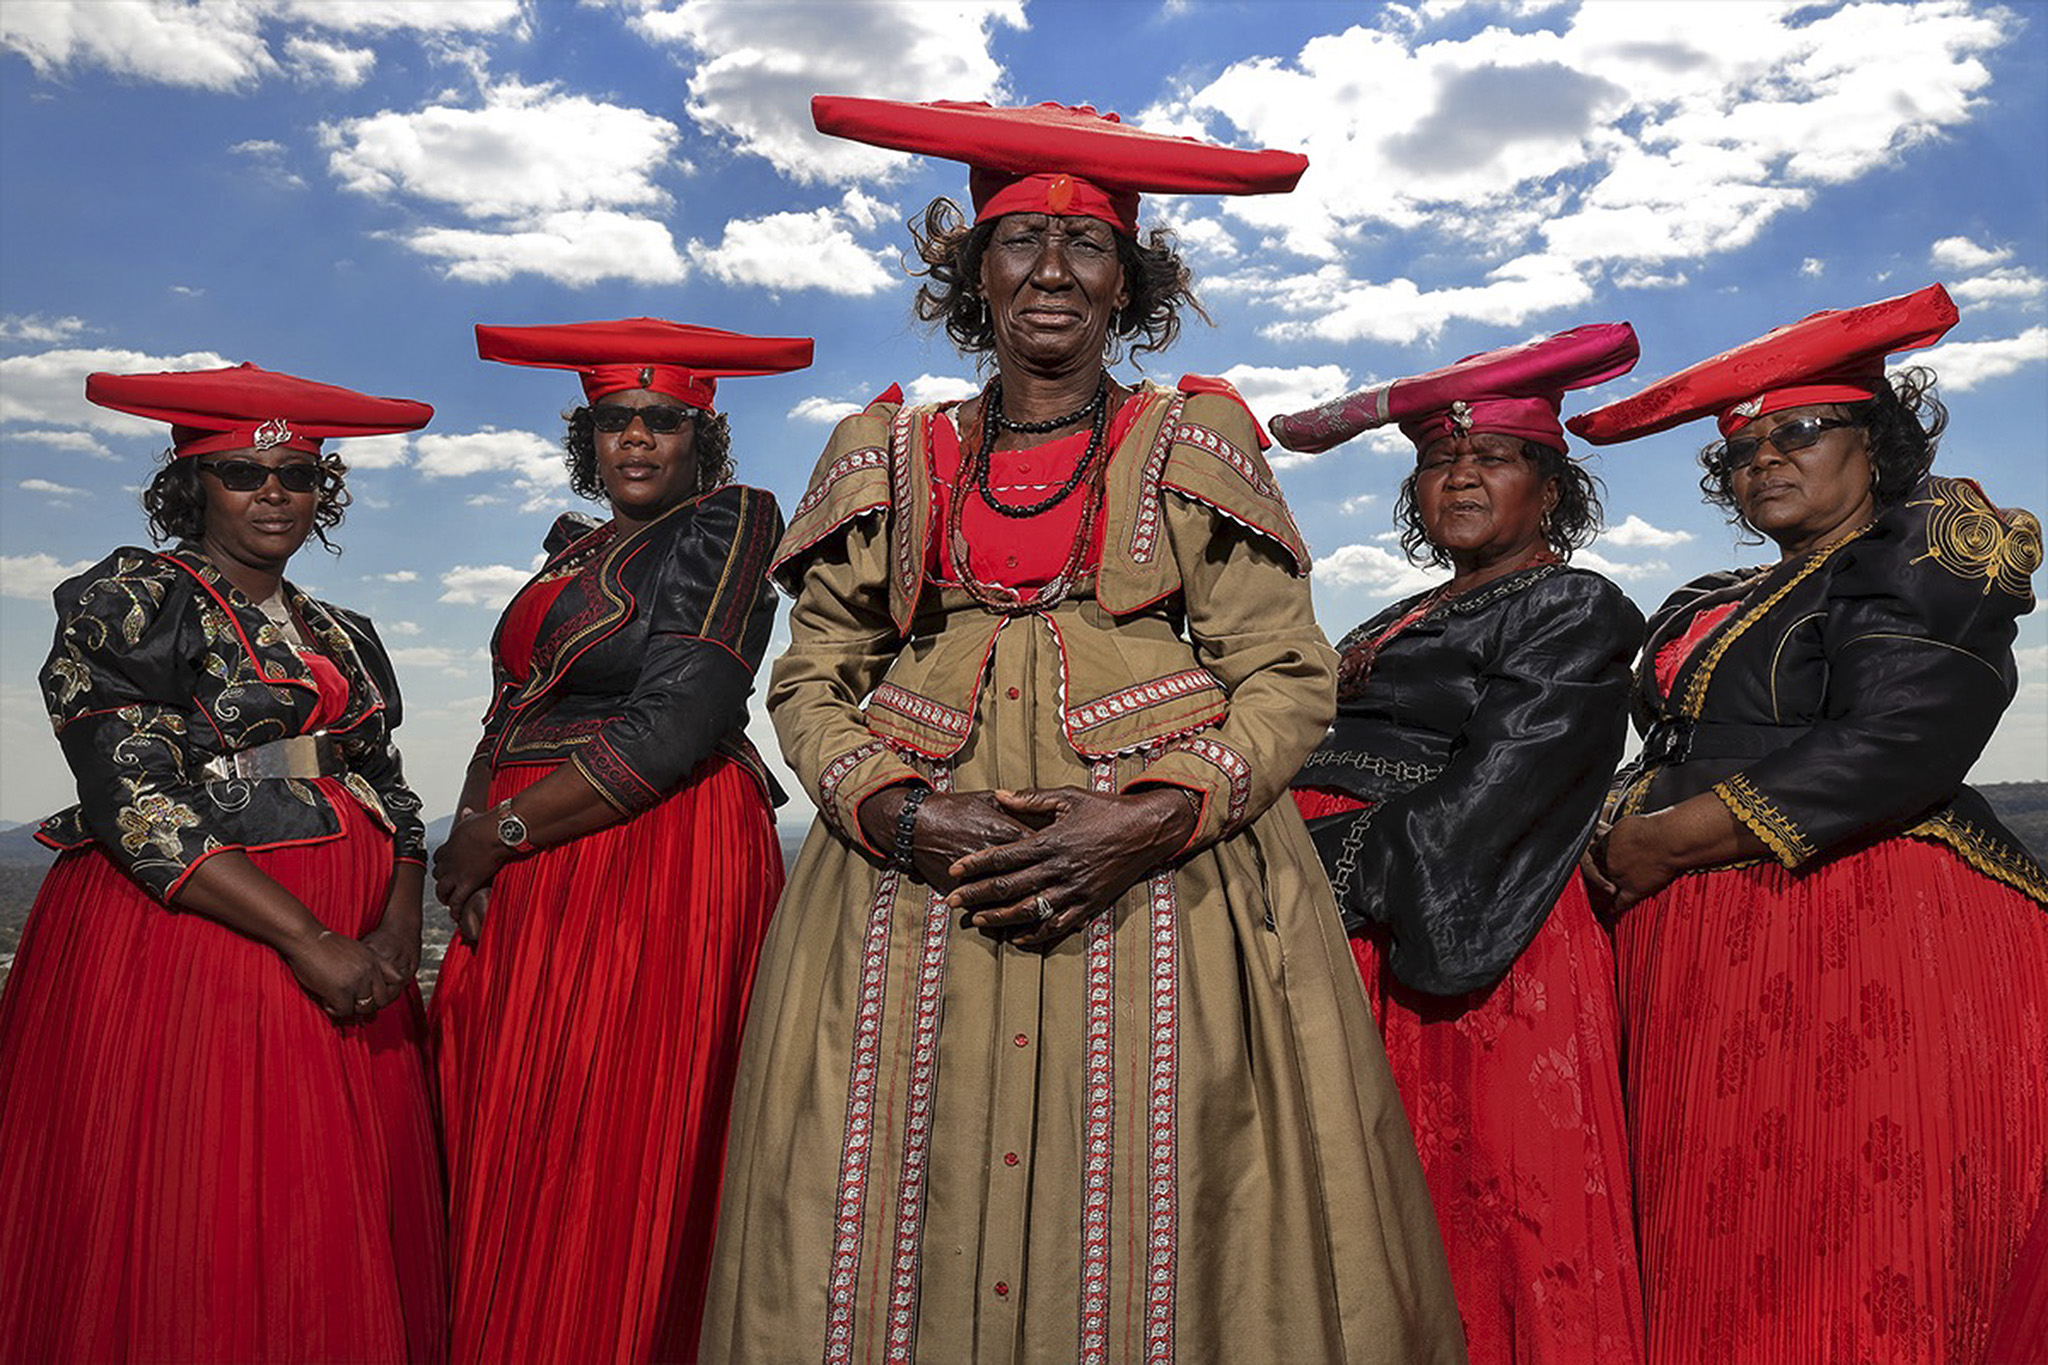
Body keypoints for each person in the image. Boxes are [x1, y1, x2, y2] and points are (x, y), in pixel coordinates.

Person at [702, 97, 1465, 1364]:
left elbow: (1282, 669)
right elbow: (813, 671)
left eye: (1087, 247)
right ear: (972, 274)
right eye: (1017, 243)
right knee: (889, 1198)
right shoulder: (886, 451)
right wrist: (895, 810)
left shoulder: (1190, 437)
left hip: (1169, 887)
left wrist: (1152, 817)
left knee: (1172, 1181)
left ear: (1129, 282)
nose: (1051, 271)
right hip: (908, 889)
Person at [1569, 283, 2048, 1363]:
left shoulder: (1925, 541)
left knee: (1841, 1230)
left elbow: (1899, 743)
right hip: (1697, 939)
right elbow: (1662, 750)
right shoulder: (1707, 596)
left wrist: (1653, 843)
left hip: (1860, 927)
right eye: (1740, 452)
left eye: (1797, 432)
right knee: (1713, 1229)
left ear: (1872, 445)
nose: (1764, 462)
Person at [0, 363, 445, 1362]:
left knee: (332, 1203)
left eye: (295, 473)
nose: (273, 493)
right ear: (192, 483)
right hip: (210, 938)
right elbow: (135, 796)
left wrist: (393, 932)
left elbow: (394, 789)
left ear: (323, 487)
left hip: (355, 951)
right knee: (221, 1195)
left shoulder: (342, 631)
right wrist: (311, 939)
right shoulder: (134, 599)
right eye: (244, 473)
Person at [430, 317, 805, 1364]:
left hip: (645, 844)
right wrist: (468, 827)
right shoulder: (582, 549)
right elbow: (509, 708)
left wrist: (496, 833)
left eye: (662, 420)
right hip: (531, 850)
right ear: (586, 439)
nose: (636, 438)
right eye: (613, 421)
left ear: (702, 438)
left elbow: (676, 725)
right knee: (516, 1125)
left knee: (607, 1130)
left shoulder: (728, 523)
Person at [1271, 325, 1648, 1364]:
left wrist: (1297, 869)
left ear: (1549, 486)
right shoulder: (1398, 616)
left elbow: (1494, 800)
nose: (1460, 477)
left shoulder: (1575, 608)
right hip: (1347, 922)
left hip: (1472, 919)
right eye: (1437, 461)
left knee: (1485, 1199)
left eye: (1491, 458)